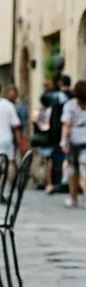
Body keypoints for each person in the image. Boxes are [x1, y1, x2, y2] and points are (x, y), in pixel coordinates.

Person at [46, 75, 73, 194]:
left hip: (58, 132)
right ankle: (68, 183)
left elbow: (54, 116)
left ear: (60, 83)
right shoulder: (75, 96)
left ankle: (52, 183)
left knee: (53, 158)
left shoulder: (56, 96)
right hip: (74, 132)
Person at [61, 80, 86, 208]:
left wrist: (63, 141)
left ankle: (73, 198)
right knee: (85, 169)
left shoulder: (70, 105)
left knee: (73, 169)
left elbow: (66, 124)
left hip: (74, 140)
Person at [6, 84, 29, 155]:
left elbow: (24, 119)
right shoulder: (5, 104)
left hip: (19, 130)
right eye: (10, 94)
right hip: (9, 131)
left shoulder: (20, 105)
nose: (12, 95)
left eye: (13, 94)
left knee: (22, 149)